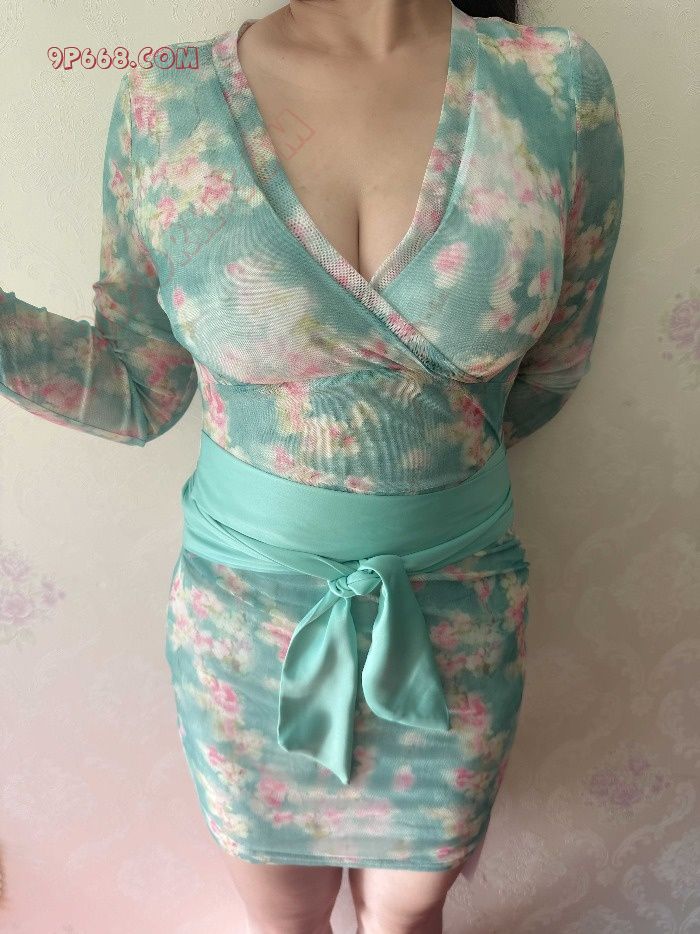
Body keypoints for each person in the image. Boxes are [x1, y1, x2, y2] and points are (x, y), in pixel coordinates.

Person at [0, 0, 625, 930]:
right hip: (242, 624)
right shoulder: (166, 100)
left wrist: (409, 496)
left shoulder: (556, 86)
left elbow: (554, 370)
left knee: (407, 917)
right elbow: (137, 390)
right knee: (285, 920)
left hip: (457, 613)